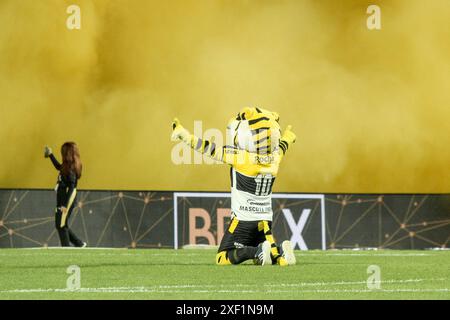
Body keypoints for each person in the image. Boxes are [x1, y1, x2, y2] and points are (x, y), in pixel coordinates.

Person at [171, 107, 297, 266]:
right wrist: (288, 137)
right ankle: (280, 251)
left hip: (244, 220)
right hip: (266, 220)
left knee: (222, 257)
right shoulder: (275, 158)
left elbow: (209, 148)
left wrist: (184, 135)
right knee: (266, 251)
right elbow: (282, 146)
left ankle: (256, 252)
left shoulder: (241, 158)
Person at [44, 142, 86, 247]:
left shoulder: (71, 167)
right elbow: (59, 167)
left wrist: (65, 205)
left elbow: (71, 188)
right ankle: (79, 244)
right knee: (61, 224)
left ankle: (66, 248)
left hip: (67, 196)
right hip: (62, 195)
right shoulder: (66, 165)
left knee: (61, 225)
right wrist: (50, 155)